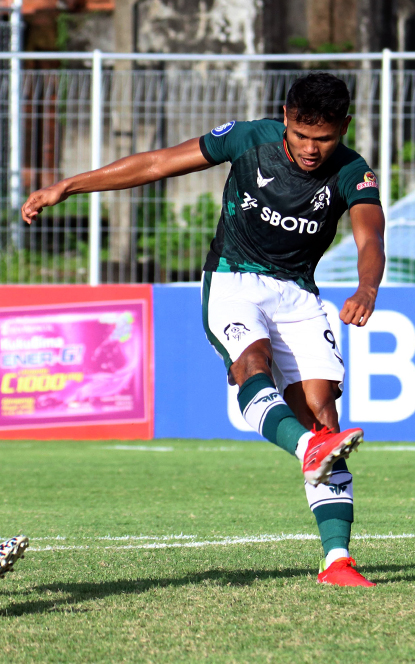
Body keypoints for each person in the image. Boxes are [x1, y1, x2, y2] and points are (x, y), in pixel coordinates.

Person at [21, 73, 384, 587]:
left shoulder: (353, 173)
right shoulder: (248, 139)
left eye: (322, 138)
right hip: (233, 279)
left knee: (324, 414)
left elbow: (370, 237)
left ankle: (337, 560)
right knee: (250, 361)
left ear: (343, 128)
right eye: (301, 135)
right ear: (285, 117)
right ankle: (306, 449)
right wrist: (69, 185)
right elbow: (155, 163)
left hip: (298, 295)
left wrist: (367, 288)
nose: (309, 148)